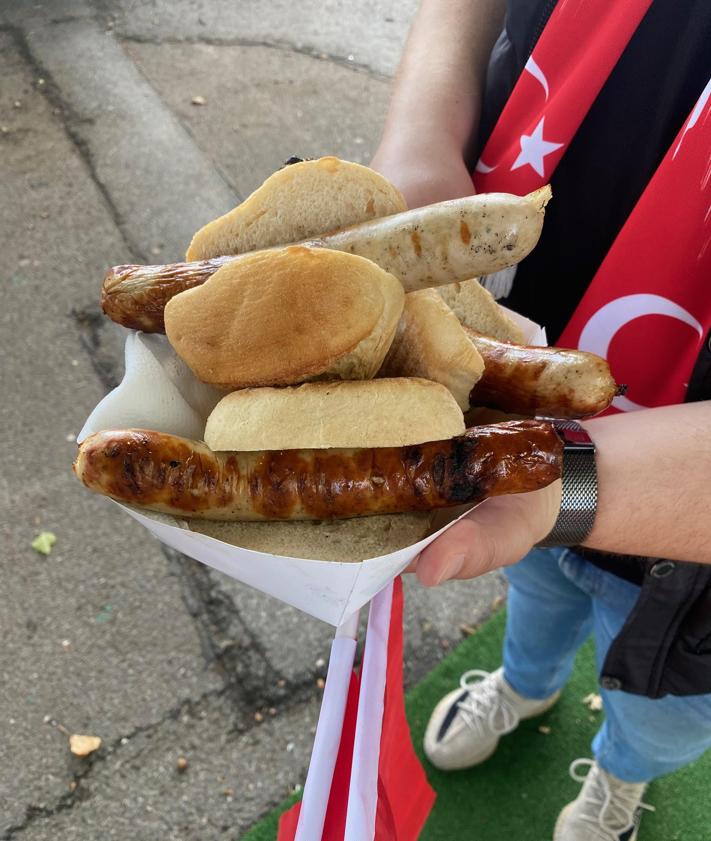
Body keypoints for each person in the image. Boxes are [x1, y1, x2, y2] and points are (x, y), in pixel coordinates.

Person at [371, 1, 711, 839]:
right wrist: (421, 135)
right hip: (529, 411)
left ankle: (619, 780)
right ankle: (525, 686)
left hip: (689, 574)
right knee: (536, 591)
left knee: (664, 710)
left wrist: (553, 484)